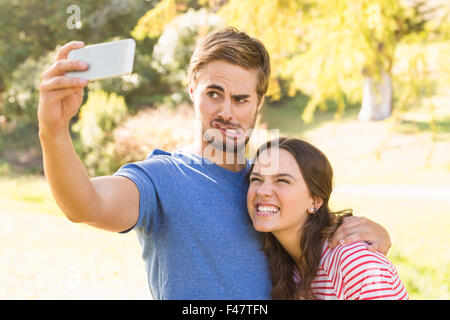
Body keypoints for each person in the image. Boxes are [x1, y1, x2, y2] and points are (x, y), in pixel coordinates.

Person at [37, 27, 392, 299]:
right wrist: (53, 132)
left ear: (258, 102)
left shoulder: (270, 187)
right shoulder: (160, 178)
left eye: (240, 99)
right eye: (213, 94)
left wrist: (376, 237)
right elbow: (85, 205)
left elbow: (326, 248)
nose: (226, 112)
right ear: (192, 88)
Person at [247, 137, 408, 300]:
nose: (262, 190)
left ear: (316, 200)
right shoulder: (286, 265)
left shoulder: (353, 262)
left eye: (282, 180)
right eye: (256, 179)